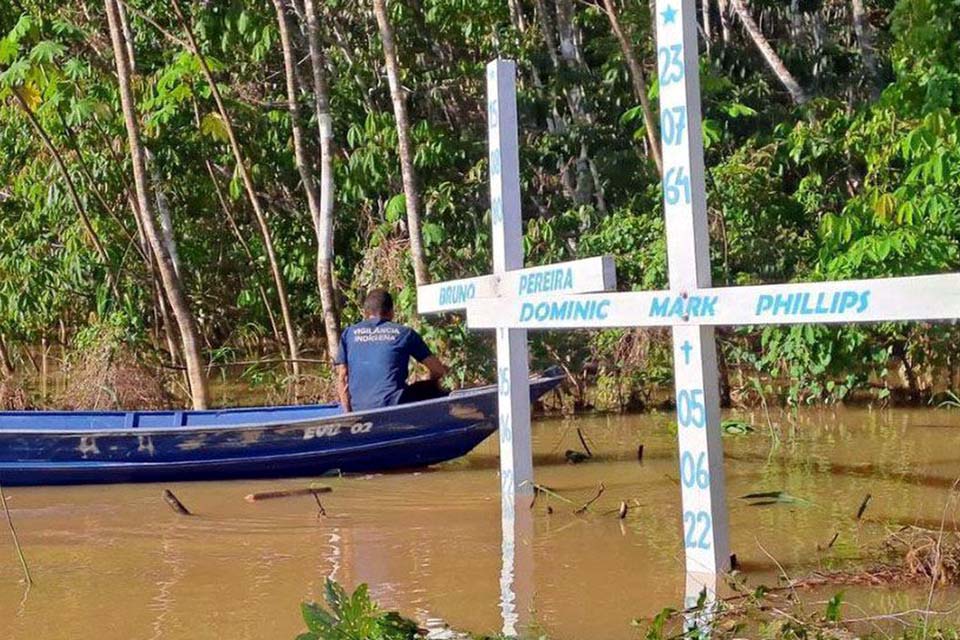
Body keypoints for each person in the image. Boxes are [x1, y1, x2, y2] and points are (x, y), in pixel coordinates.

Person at [334, 288, 448, 413]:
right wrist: (431, 381)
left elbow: (342, 378)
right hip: (394, 407)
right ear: (391, 312)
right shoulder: (405, 333)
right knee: (431, 389)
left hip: (359, 408)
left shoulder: (349, 333)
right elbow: (438, 370)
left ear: (365, 312)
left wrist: (349, 414)